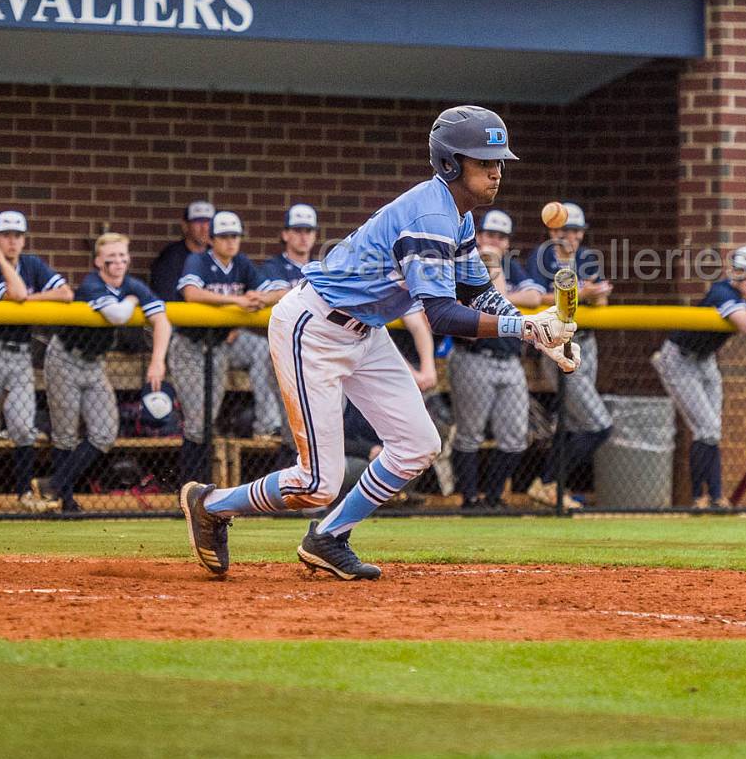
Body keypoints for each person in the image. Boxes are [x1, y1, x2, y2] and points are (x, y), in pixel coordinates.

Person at [180, 105, 577, 580]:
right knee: (316, 483)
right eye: (482, 161)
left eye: (497, 162)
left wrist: (533, 330)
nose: (495, 172)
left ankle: (327, 538)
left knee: (417, 444)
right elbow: (442, 314)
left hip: (363, 331)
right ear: (450, 163)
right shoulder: (431, 214)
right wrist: (527, 328)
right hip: (315, 328)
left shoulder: (459, 215)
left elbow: (477, 291)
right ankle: (210, 503)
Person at [31, 232, 172, 513]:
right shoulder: (91, 284)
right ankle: (65, 501)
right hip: (65, 359)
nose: (118, 262)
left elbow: (162, 320)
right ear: (98, 261)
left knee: (105, 432)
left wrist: (158, 361)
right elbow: (118, 315)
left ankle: (53, 485)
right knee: (65, 434)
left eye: (122, 256)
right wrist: (132, 302)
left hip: (95, 364)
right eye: (111, 258)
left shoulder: (132, 285)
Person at [651, 246, 746, 508]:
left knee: (712, 430)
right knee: (707, 429)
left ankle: (713, 497)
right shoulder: (722, 290)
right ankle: (700, 498)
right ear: (731, 271)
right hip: (679, 358)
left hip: (706, 360)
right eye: (742, 272)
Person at [171, 210, 288, 483]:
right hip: (189, 346)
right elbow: (190, 293)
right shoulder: (198, 260)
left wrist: (260, 296)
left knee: (206, 420)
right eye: (223, 237)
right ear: (211, 239)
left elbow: (279, 293)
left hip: (220, 346)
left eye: (234, 236)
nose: (230, 242)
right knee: (197, 421)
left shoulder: (241, 263)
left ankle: (267, 424)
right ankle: (187, 483)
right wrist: (237, 302)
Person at [0, 210, 72, 511]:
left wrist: (28, 299)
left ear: (23, 240)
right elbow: (15, 292)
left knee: (24, 427)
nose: (11, 242)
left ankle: (24, 494)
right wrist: (1, 261)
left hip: (20, 356)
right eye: (5, 236)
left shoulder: (32, 264)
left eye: (17, 236)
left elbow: (65, 293)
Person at [447, 209, 542, 508]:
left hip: (510, 360)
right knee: (469, 434)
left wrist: (500, 294)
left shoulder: (511, 266)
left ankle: (493, 497)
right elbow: (458, 303)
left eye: (501, 237)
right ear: (479, 235)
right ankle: (469, 499)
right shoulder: (464, 265)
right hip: (473, 356)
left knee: (514, 436)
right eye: (489, 234)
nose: (494, 241)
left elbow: (535, 297)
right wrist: (499, 294)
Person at [525, 201, 615, 509]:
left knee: (574, 423)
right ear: (553, 230)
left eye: (576, 231)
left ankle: (551, 487)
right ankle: (548, 482)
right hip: (556, 345)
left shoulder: (587, 258)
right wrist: (582, 294)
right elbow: (535, 299)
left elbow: (601, 302)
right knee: (599, 425)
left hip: (587, 342)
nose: (571, 237)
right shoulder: (541, 257)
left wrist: (596, 295)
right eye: (565, 230)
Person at [238, 203, 321, 438]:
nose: (303, 236)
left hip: (316, 343)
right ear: (285, 234)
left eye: (308, 231)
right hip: (285, 344)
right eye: (297, 230)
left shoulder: (320, 268)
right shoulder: (273, 267)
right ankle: (271, 427)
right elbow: (278, 297)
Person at [149, 200, 214, 304]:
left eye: (209, 222)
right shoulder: (170, 257)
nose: (205, 228)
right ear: (185, 225)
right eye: (198, 221)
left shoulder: (219, 255)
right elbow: (165, 297)